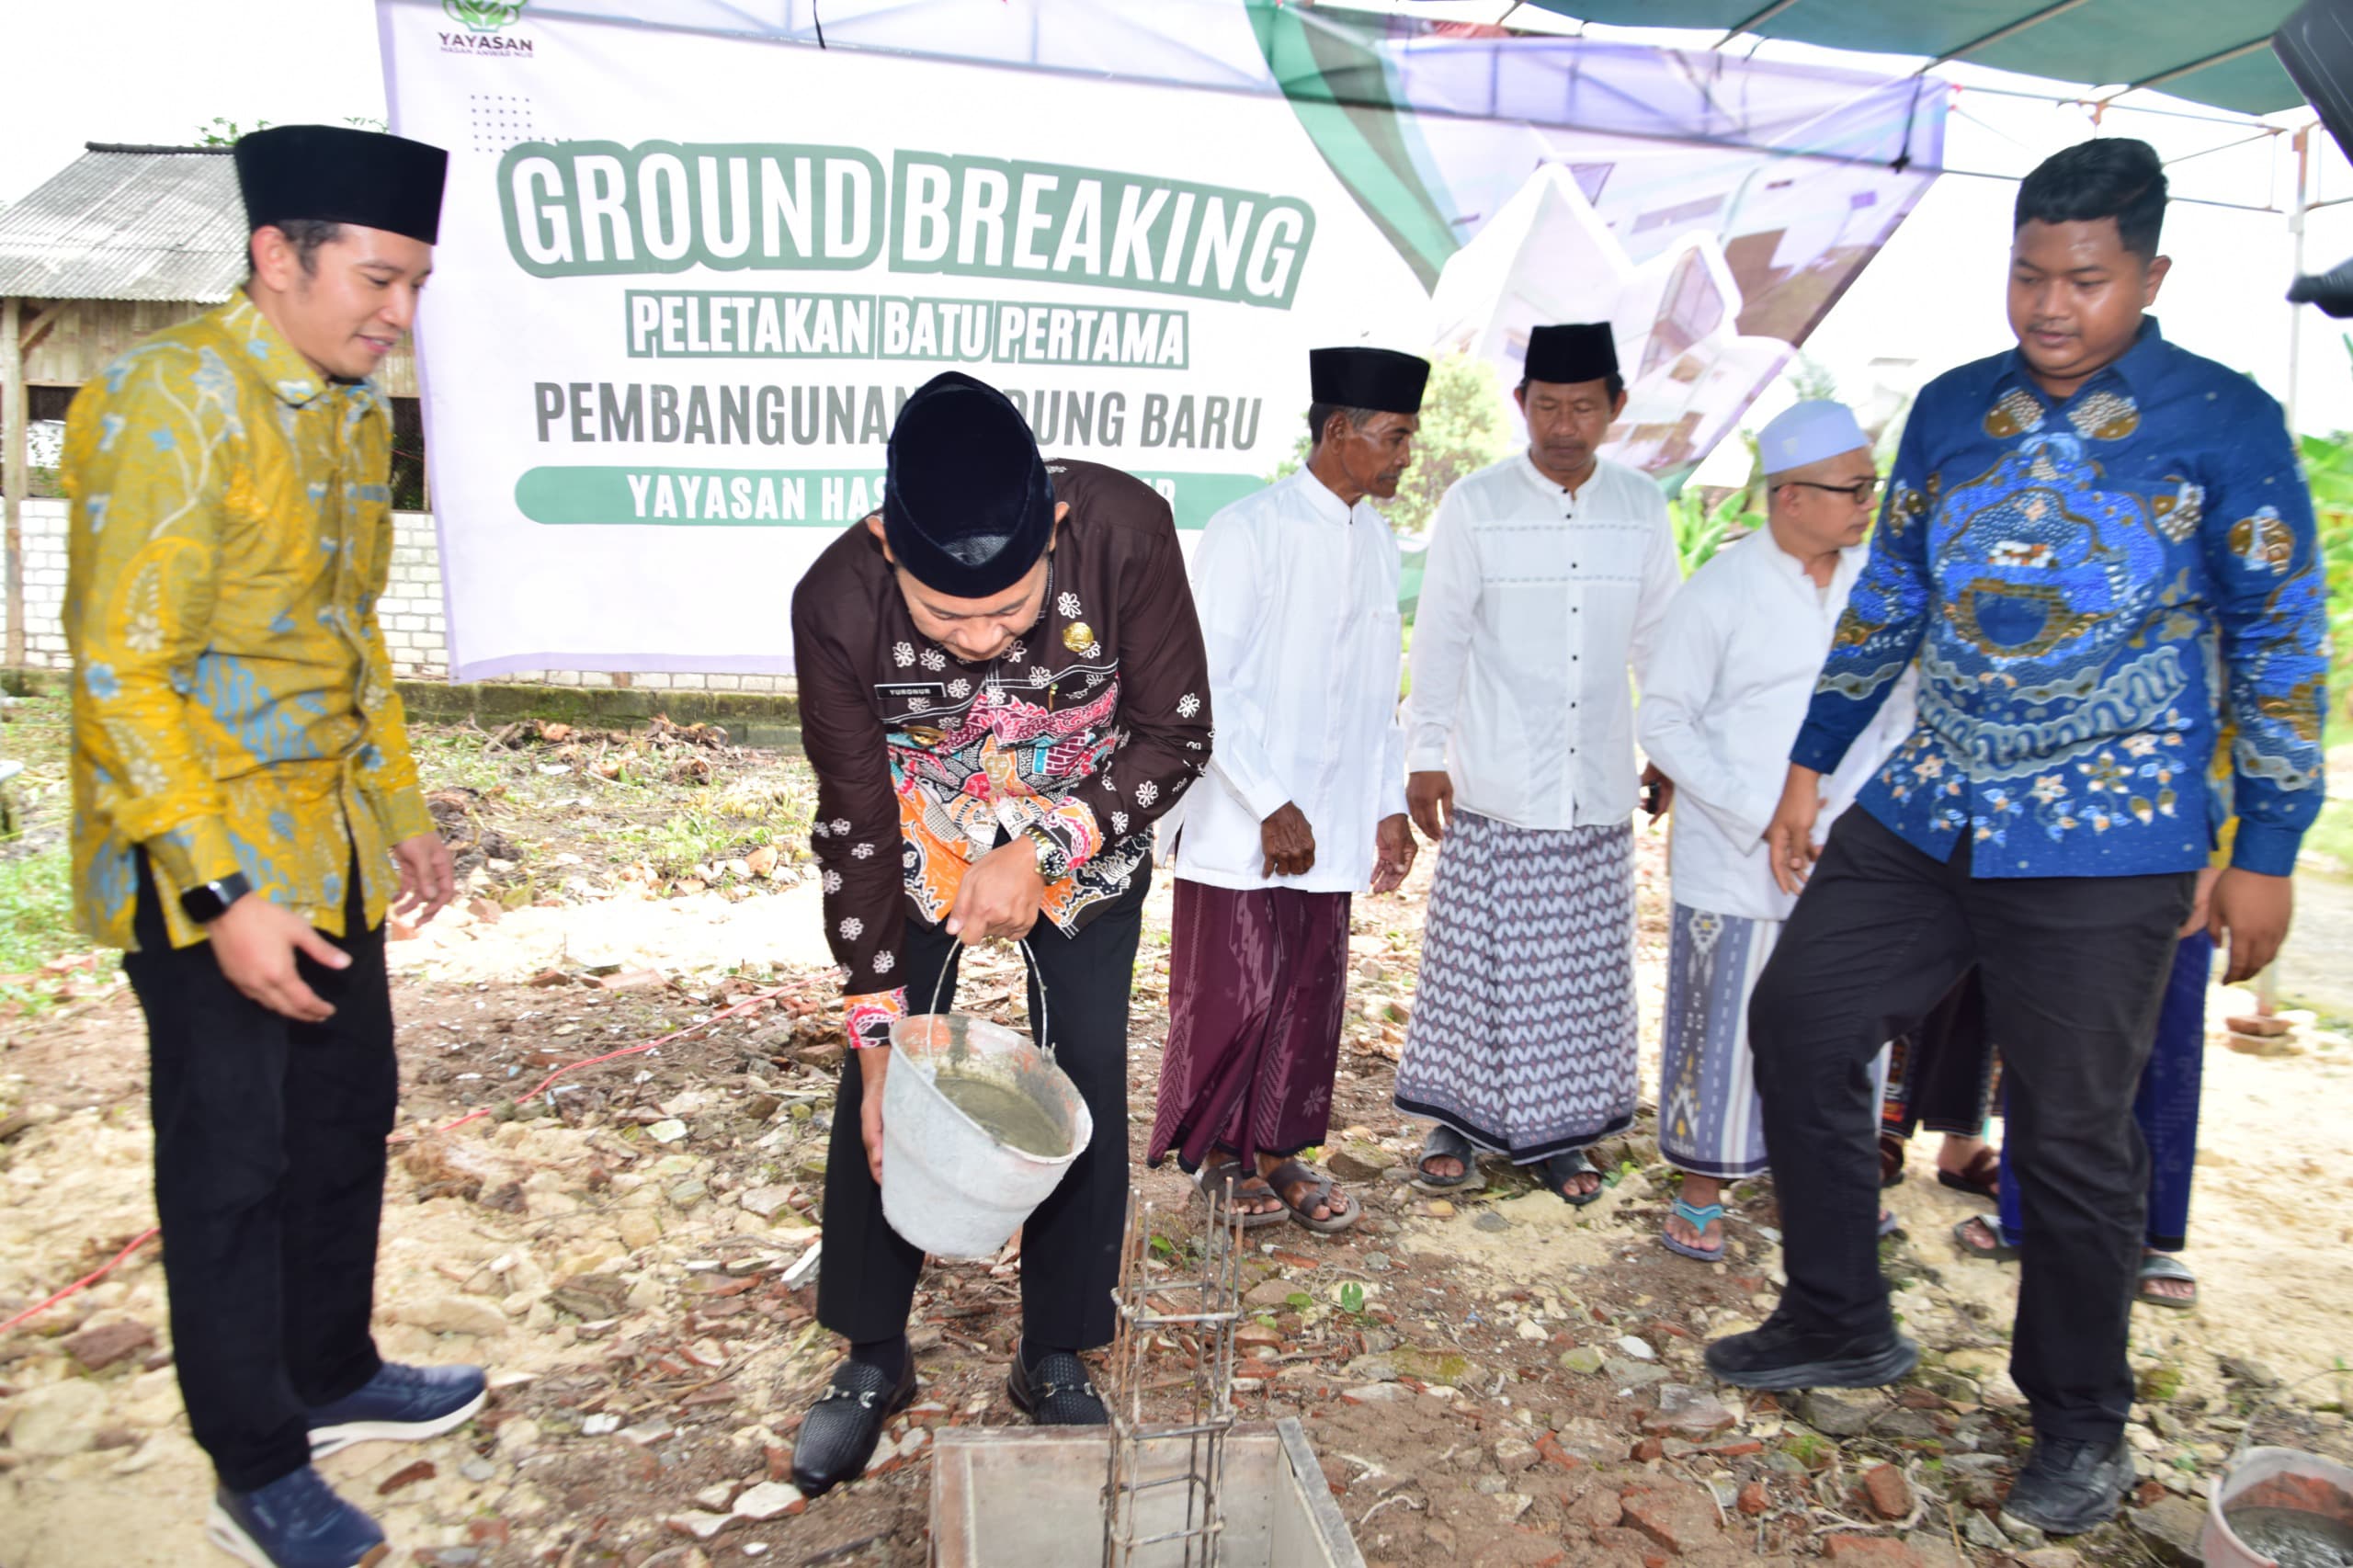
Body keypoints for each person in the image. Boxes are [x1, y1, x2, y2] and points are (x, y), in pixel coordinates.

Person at [1704, 138, 2327, 1538]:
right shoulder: (1949, 410)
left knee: (2073, 1128)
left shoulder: (2223, 423)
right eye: (2030, 273)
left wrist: (2272, 838)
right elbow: (1896, 596)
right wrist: (1812, 762)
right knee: (1801, 1018)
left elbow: (2281, 639)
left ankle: (2079, 1418)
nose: (2051, 305)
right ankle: (1837, 1313)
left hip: (2109, 835)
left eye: (2086, 280)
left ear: (2150, 275)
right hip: (1934, 803)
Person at [61, 125, 482, 1568]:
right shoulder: (162, 402)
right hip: (203, 865)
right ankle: (255, 1456)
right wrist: (221, 891)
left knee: (345, 1114)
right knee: (230, 1162)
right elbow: (120, 673)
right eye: (378, 279)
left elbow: (349, 634)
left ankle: (329, 1368)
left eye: (416, 284)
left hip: (327, 842)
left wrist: (403, 808)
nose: (397, 313)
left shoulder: (356, 414)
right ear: (275, 259)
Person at [788, 371, 1212, 1494]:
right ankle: (872, 1354)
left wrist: (1047, 846)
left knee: (1082, 1068)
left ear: (1057, 534)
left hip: (1082, 822)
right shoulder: (833, 601)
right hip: (918, 831)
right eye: (944, 615)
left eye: (1009, 611)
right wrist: (878, 1044)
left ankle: (1056, 1345)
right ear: (886, 544)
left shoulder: (1125, 532)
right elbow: (854, 827)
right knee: (885, 1073)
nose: (978, 639)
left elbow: (1173, 734)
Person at [1392, 323, 1681, 1202]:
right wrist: (1424, 754)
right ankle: (1458, 1122)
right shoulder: (1477, 503)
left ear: (1615, 409)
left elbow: (1661, 641)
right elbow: (1439, 636)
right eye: (1547, 406)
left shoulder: (1642, 507)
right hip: (1497, 779)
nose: (1564, 424)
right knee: (1480, 963)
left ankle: (1561, 1138)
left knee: (1579, 973)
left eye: (1583, 407)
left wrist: (1665, 748)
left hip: (1593, 781)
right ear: (1522, 405)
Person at [1149, 347, 1426, 1235]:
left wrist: (1385, 803)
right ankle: (1221, 1159)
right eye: (1394, 438)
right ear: (1338, 432)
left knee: (1312, 989)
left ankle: (1279, 1151)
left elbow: (1383, 690)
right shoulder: (1248, 530)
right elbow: (1207, 683)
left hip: (1335, 817)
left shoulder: (1379, 542)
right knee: (1236, 989)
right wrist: (1269, 801)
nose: (1404, 458)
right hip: (1242, 816)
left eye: (1409, 440)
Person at [1637, 400, 1917, 1261]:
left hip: (1855, 852)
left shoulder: (1884, 588)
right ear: (1789, 498)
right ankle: (1703, 1190)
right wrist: (1762, 817)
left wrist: (1861, 818)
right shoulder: (1723, 587)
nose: (1868, 501)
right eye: (1851, 487)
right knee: (1722, 1022)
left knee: (1846, 1027)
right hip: (1738, 851)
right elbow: (1667, 723)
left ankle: (1838, 1187)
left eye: (1872, 485)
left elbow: (1906, 714)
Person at [1953, 926, 2213, 1310]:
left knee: (2165, 1026)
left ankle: (2147, 1232)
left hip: (2182, 873)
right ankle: (2022, 1213)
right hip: (2064, 872)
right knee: (2047, 1014)